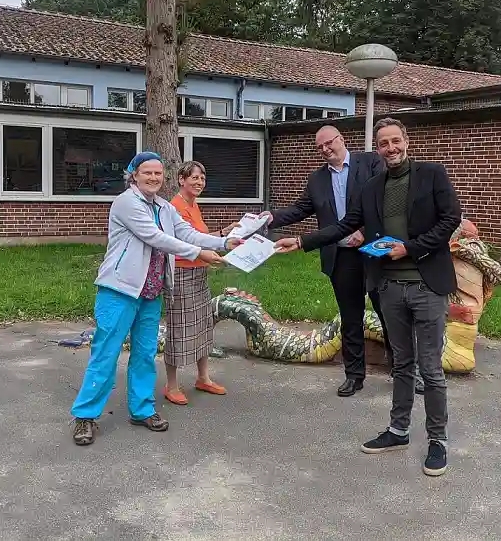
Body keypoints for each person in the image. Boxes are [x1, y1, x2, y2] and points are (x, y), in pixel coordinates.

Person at [274, 117, 462, 477]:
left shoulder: (431, 174)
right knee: (402, 365)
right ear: (376, 149)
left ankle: (437, 440)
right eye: (383, 143)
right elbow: (346, 225)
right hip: (389, 286)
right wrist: (300, 241)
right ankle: (399, 430)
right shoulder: (373, 186)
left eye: (395, 141)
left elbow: (449, 218)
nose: (390, 148)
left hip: (426, 285)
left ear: (406, 140)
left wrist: (409, 248)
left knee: (431, 369)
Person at [70, 151, 242, 446]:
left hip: (151, 292)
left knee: (145, 353)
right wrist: (199, 254)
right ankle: (85, 416)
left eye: (158, 173)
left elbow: (188, 233)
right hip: (120, 290)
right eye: (147, 172)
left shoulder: (163, 207)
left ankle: (142, 409)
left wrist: (224, 242)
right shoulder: (126, 203)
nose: (153, 178)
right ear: (134, 175)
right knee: (106, 354)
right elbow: (155, 237)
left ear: (164, 178)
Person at [262, 125, 391, 397]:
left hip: (375, 251)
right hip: (341, 255)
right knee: (350, 317)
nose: (325, 150)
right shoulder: (317, 179)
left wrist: (364, 231)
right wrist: (271, 217)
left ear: (341, 139)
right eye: (319, 147)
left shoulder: (370, 164)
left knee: (389, 313)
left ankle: (404, 371)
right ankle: (354, 376)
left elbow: (384, 202)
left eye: (328, 143)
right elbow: (300, 209)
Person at [163, 160, 242, 405]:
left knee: (203, 326)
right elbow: (186, 241)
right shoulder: (174, 207)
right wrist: (215, 246)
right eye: (194, 178)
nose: (199, 182)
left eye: (202, 178)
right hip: (181, 275)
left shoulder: (193, 205)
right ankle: (172, 385)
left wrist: (224, 232)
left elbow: (199, 237)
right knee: (179, 330)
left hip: (199, 274)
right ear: (181, 180)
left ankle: (203, 378)